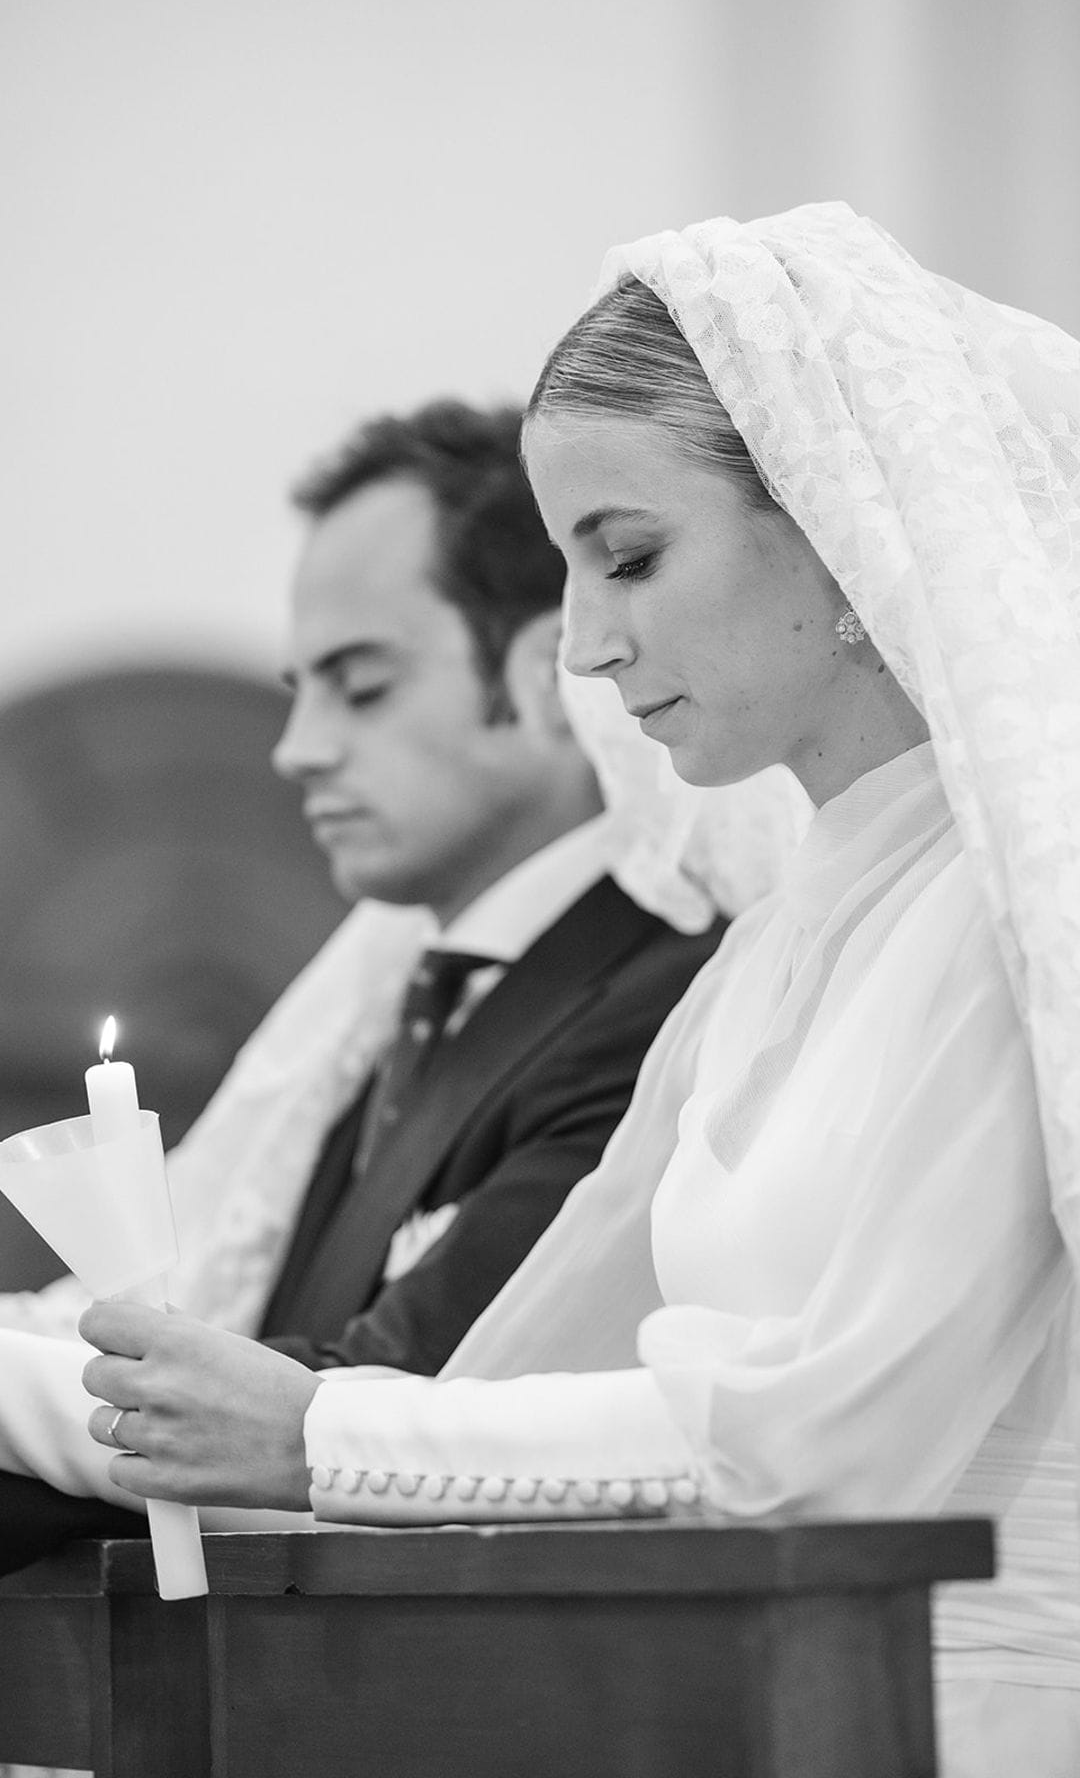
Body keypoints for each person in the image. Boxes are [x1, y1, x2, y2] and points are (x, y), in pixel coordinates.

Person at [68, 204, 1080, 1772]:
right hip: (731, 1697)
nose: (588, 652)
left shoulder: (1012, 904)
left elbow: (828, 1450)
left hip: (962, 1713)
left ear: (834, 511)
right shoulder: (770, 941)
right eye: (567, 573)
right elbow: (556, 1344)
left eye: (630, 557)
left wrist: (317, 1434)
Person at [0, 400, 725, 1563]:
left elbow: (382, 1403)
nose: (299, 750)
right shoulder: (385, 1001)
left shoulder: (666, 995)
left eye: (362, 684)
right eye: (302, 692)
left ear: (548, 675)